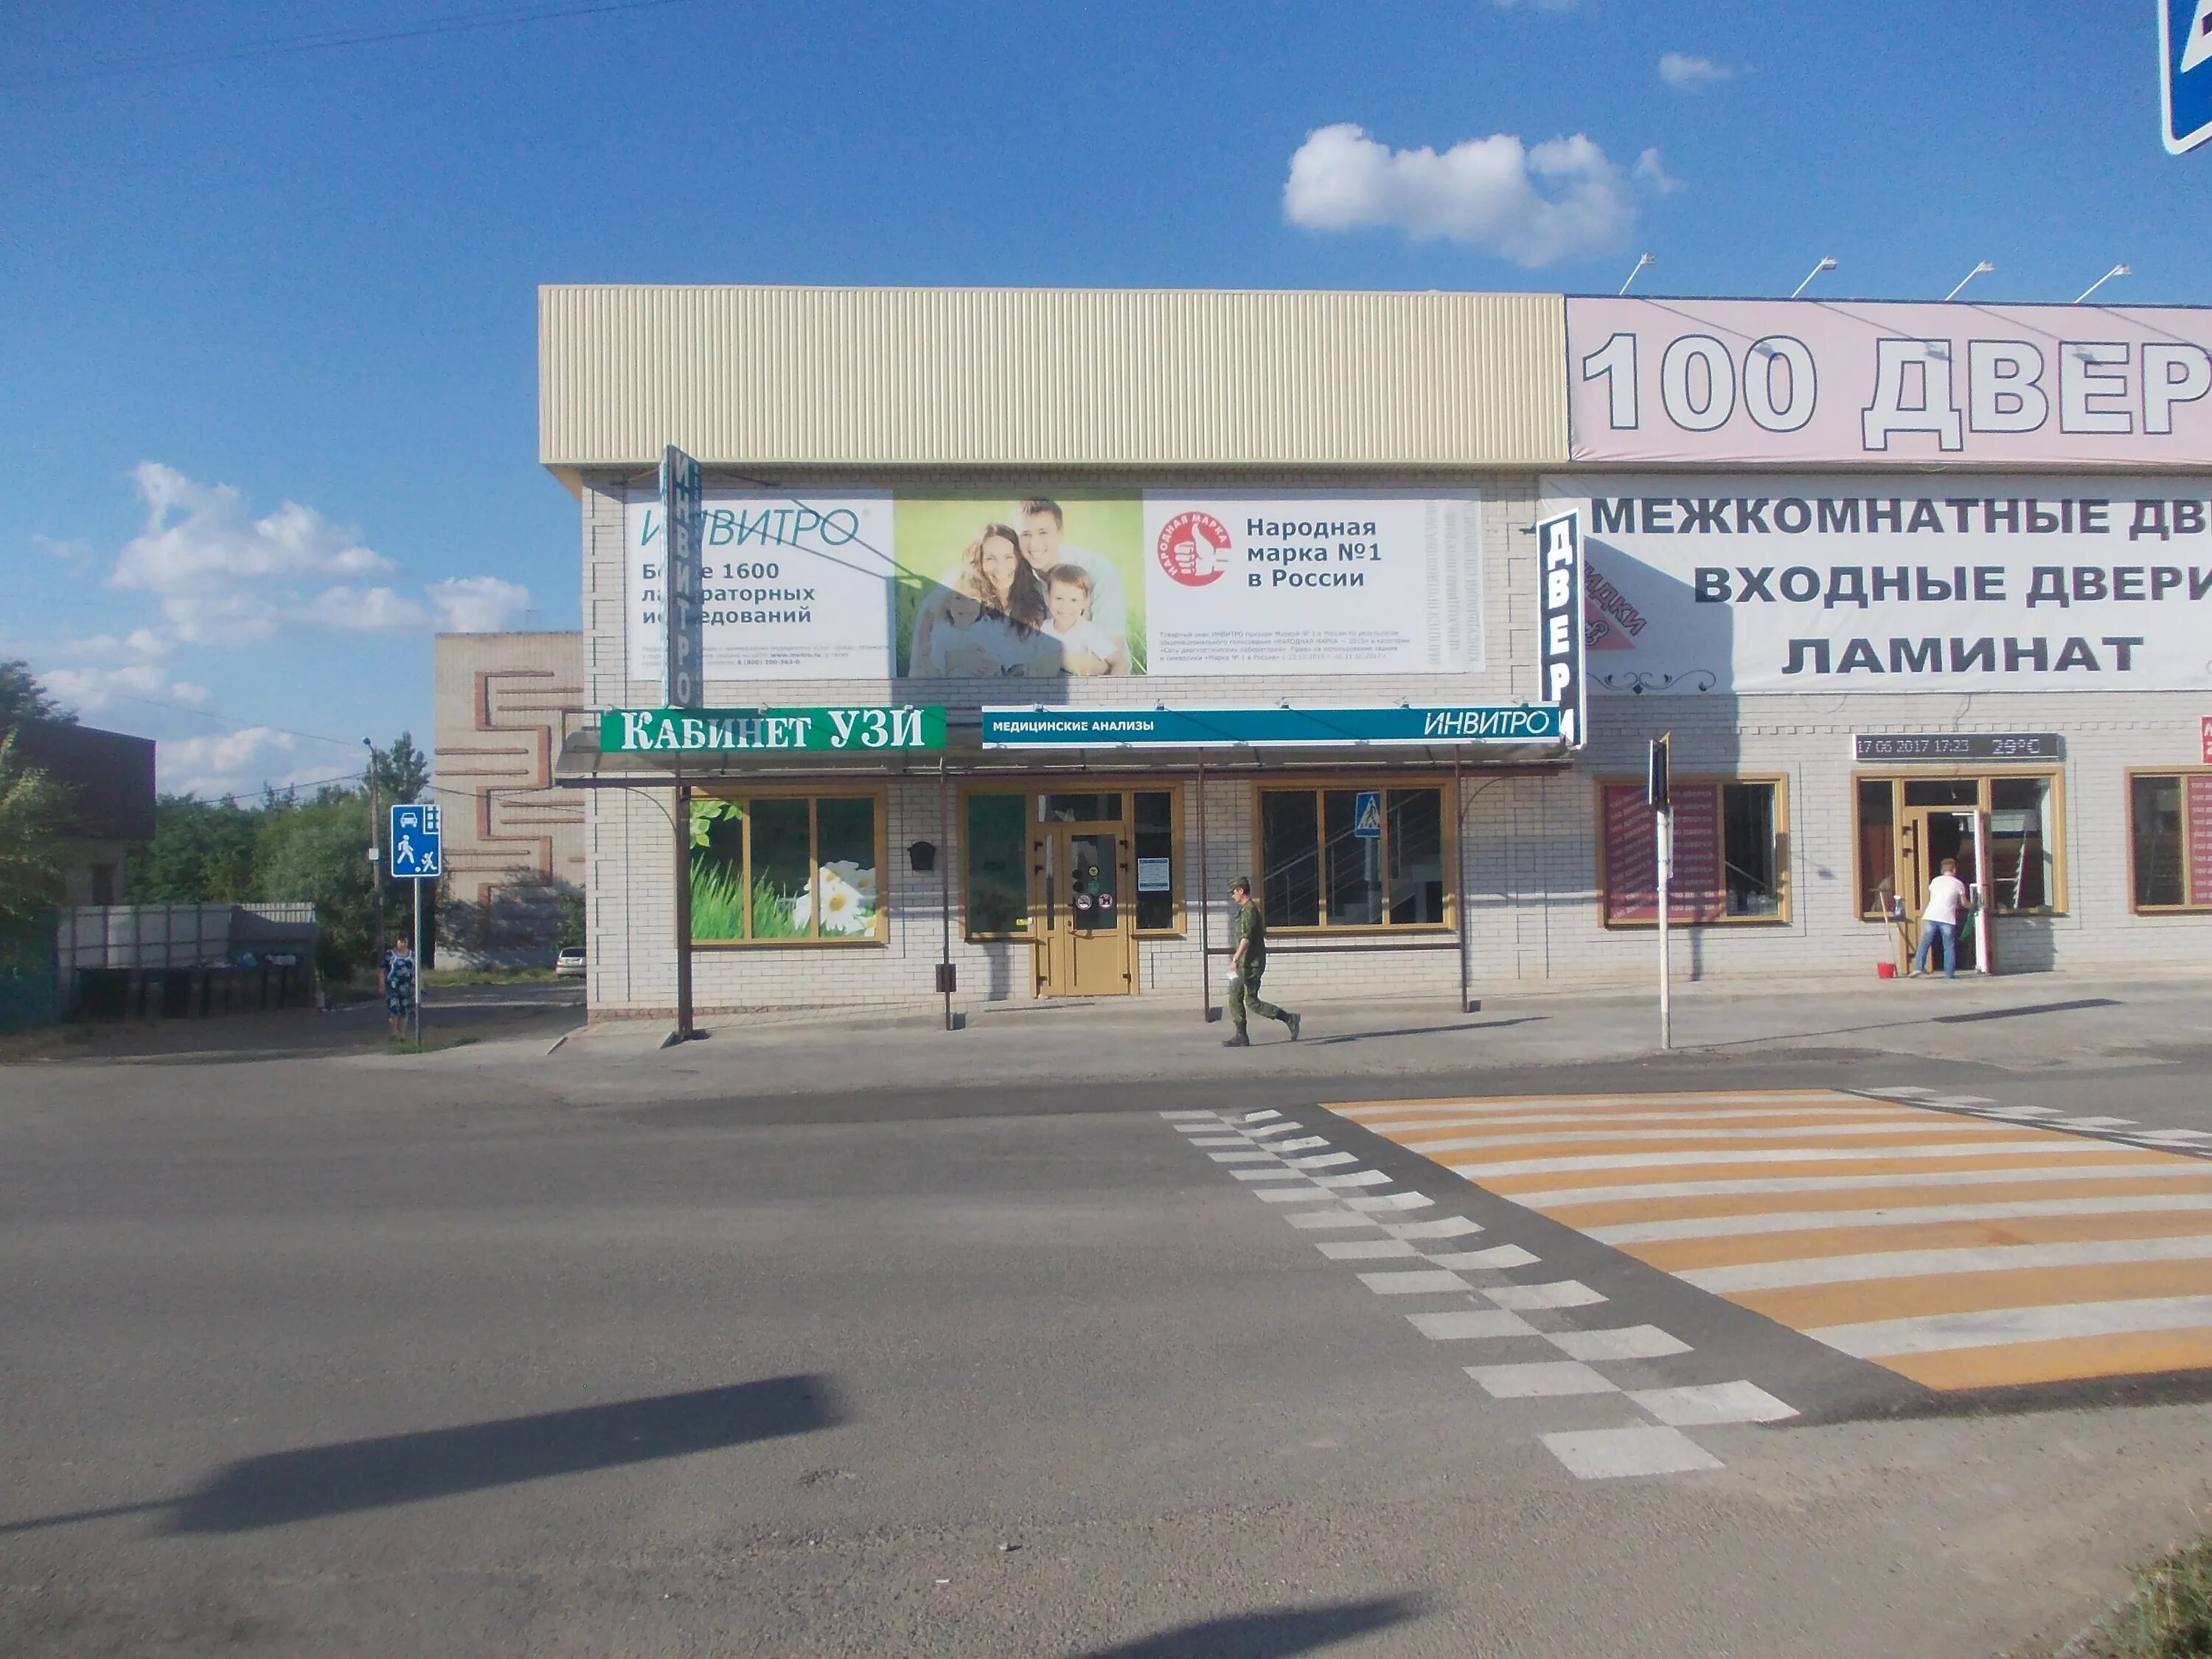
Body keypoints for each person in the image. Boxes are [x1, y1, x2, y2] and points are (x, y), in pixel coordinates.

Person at [1015, 498, 1129, 660]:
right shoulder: (1016, 575)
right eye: (1025, 534)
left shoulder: (1098, 571)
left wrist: (1055, 659)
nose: (1034, 544)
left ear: (1060, 532)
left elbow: (1117, 657)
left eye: (1043, 532)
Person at [1222, 876, 1299, 1047]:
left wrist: (1235, 959)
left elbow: (1246, 939)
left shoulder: (1249, 910)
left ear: (1241, 891)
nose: (1232, 896)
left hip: (1251, 963)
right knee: (1235, 996)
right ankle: (1241, 1035)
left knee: (1251, 1001)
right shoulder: (1245, 910)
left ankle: (1289, 1018)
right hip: (1245, 963)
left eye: (1234, 892)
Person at [1041, 564, 1128, 675]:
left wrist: (1112, 690)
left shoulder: (1087, 631)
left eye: (1073, 600)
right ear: (1048, 598)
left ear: (1085, 602)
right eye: (1059, 599)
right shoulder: (1043, 629)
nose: (1065, 607)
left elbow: (1119, 662)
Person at [1913, 858, 1969, 979]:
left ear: (1942, 870)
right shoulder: (1958, 883)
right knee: (1948, 946)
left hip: (1931, 914)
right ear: (1954, 869)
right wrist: (1975, 905)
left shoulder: (1935, 881)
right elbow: (1964, 903)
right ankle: (1949, 973)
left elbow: (1938, 896)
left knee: (1925, 942)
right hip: (1947, 917)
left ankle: (1918, 967)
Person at [384, 933, 417, 1037]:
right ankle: (394, 1033)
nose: (402, 944)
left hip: (407, 987)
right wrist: (381, 983)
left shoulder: (412, 955)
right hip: (393, 986)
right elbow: (383, 969)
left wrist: (419, 984)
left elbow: (416, 971)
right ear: (397, 942)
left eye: (404, 941)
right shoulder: (390, 954)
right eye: (400, 941)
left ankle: (402, 1034)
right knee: (394, 1009)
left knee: (405, 1011)